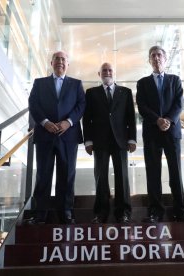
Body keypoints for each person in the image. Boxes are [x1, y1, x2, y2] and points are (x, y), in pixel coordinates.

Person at [136, 45, 184, 223]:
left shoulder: (175, 80)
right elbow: (142, 106)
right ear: (149, 60)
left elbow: (179, 103)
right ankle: (155, 212)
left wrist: (168, 120)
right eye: (152, 55)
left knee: (175, 172)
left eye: (159, 55)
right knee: (153, 172)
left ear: (165, 59)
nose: (156, 58)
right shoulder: (142, 83)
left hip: (172, 132)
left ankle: (180, 211)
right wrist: (158, 120)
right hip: (152, 133)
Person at [28, 50, 86, 224]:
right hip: (45, 134)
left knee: (67, 175)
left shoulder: (76, 84)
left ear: (68, 64)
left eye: (63, 59)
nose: (60, 62)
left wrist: (69, 122)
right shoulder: (40, 83)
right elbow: (33, 104)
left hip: (68, 136)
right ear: (51, 63)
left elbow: (81, 105)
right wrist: (45, 122)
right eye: (57, 59)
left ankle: (66, 211)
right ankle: (40, 214)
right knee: (43, 174)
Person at [83, 62, 136, 223]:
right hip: (99, 141)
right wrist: (88, 141)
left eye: (110, 70)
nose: (107, 72)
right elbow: (87, 119)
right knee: (100, 177)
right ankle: (101, 212)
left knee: (122, 177)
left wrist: (132, 139)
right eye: (104, 70)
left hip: (121, 141)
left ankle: (123, 212)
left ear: (114, 73)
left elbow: (130, 118)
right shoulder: (91, 93)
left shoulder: (126, 92)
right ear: (99, 74)